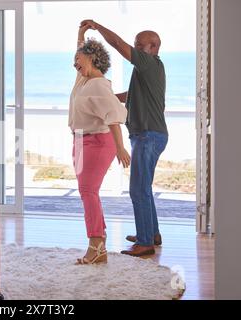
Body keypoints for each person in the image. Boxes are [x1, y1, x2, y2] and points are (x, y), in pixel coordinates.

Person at [80, 20, 168, 257]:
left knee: (138, 189)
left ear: (153, 48)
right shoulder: (148, 71)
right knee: (144, 187)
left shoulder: (148, 64)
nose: (136, 48)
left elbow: (118, 44)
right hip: (150, 135)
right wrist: (106, 94)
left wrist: (97, 27)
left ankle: (145, 243)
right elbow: (131, 96)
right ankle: (151, 234)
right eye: (137, 45)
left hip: (148, 135)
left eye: (140, 45)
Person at [70, 24, 130, 265]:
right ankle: (99, 246)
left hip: (97, 142)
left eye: (79, 59)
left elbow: (113, 116)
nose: (75, 62)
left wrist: (121, 147)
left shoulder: (98, 84)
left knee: (88, 192)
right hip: (81, 140)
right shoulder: (83, 79)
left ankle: (96, 245)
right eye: (74, 59)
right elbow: (80, 53)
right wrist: (80, 37)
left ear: (92, 59)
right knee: (87, 192)